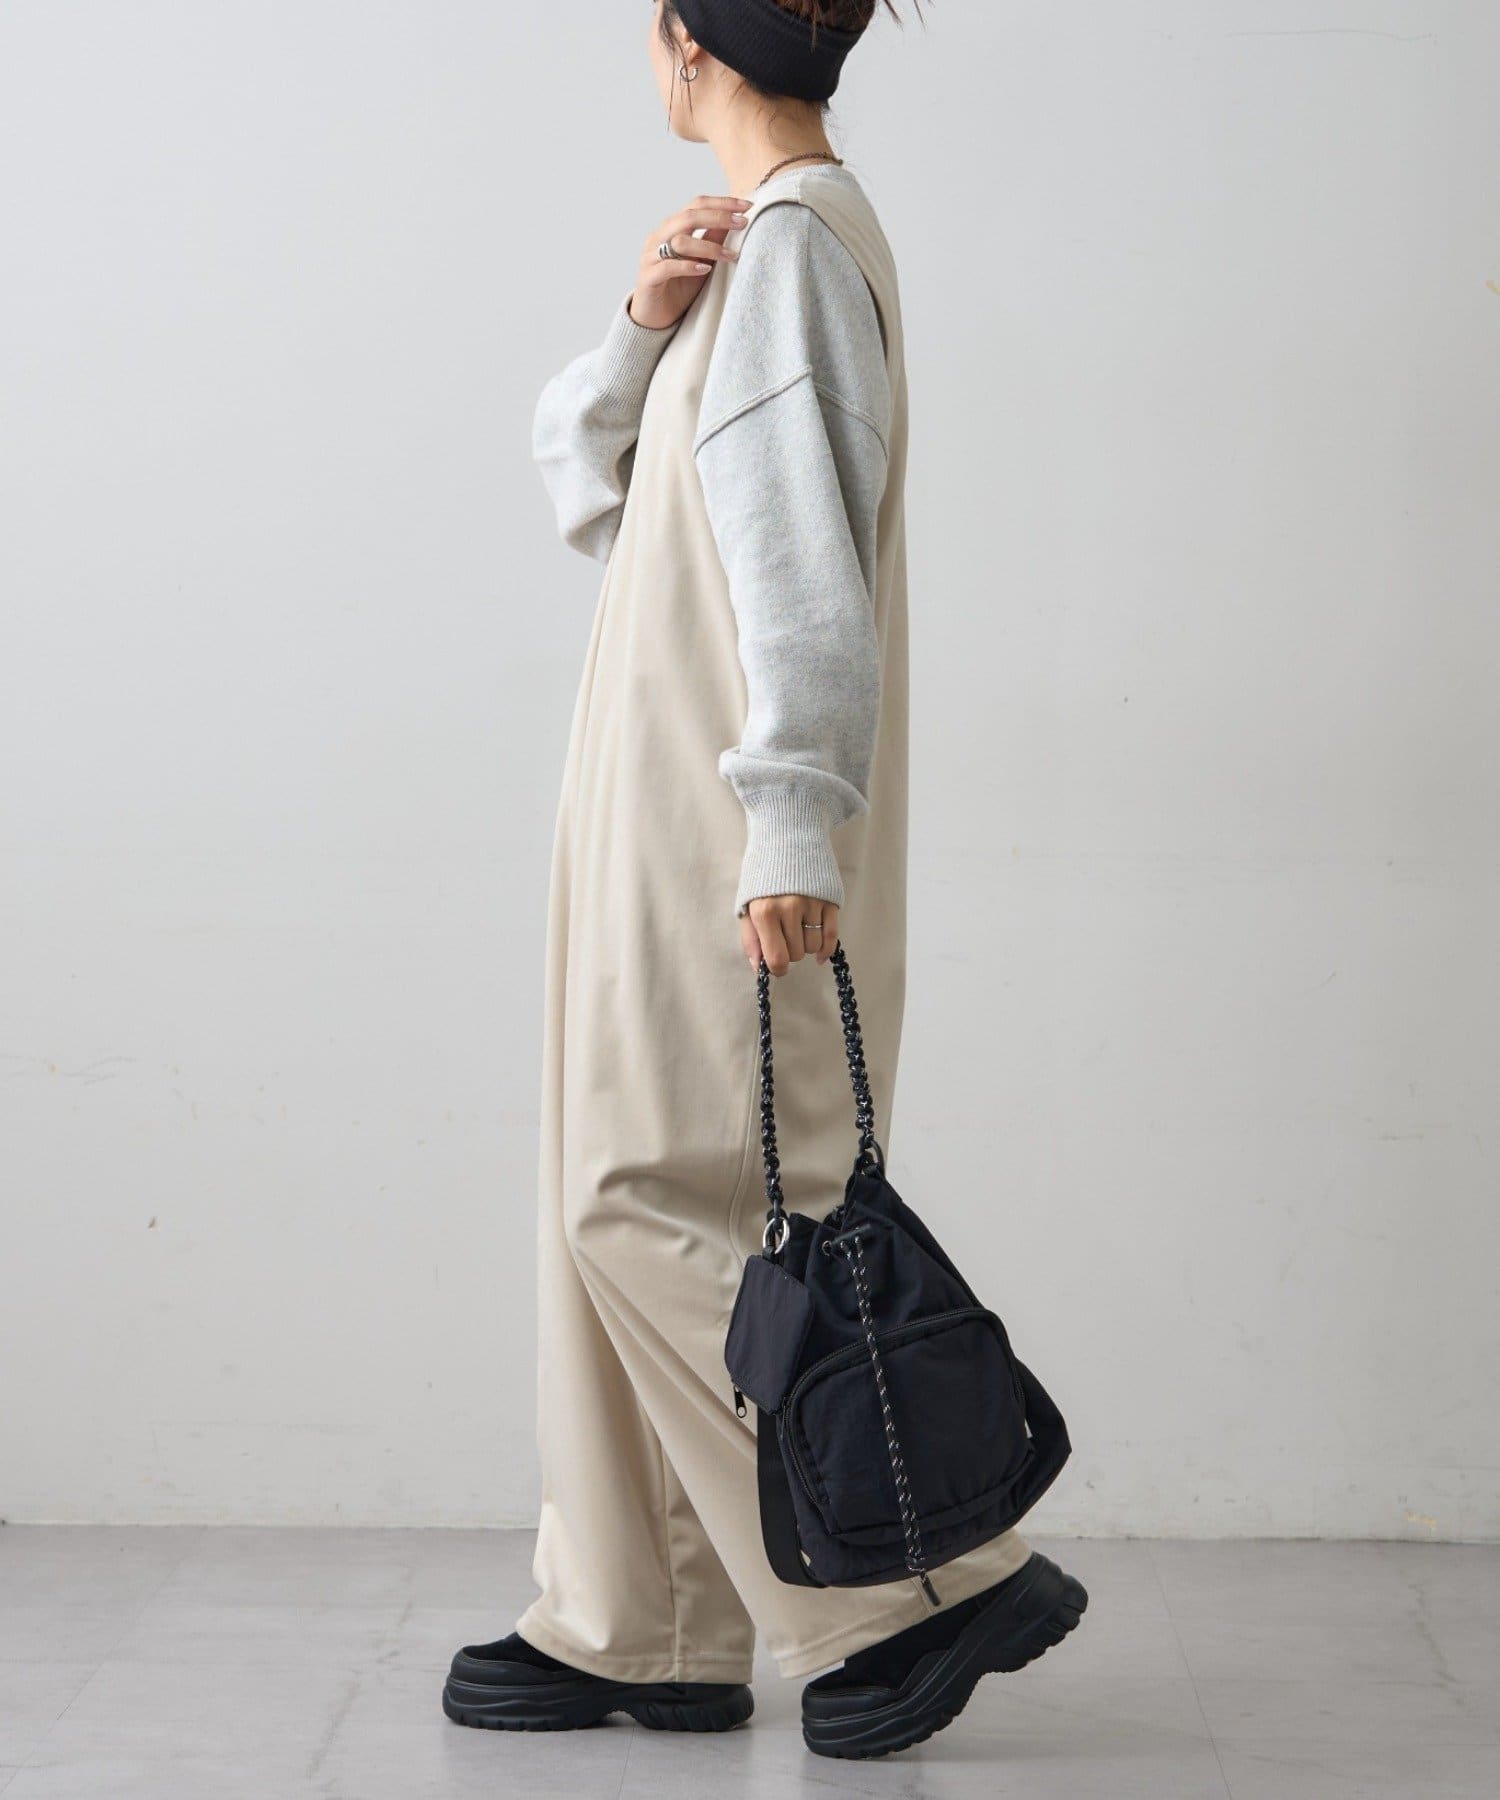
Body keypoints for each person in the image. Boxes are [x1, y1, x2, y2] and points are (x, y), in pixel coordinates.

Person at [442, 0, 1086, 1760]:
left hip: (719, 816)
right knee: (622, 1191)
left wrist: (791, 822)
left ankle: (920, 1586)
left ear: (683, 43)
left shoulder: (797, 248)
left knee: (661, 1193)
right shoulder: (754, 252)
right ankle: (642, 1622)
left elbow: (805, 561)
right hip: (656, 799)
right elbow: (608, 499)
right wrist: (640, 327)